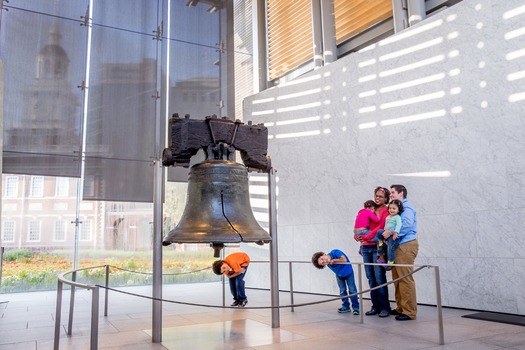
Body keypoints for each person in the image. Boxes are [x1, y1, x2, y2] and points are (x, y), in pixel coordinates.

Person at [382, 184, 418, 321]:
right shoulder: (397, 208)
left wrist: (390, 233)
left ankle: (409, 311)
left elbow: (407, 224)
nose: (390, 195)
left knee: (405, 278)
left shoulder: (407, 207)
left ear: (401, 193)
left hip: (406, 245)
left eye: (392, 192)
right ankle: (401, 307)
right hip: (397, 246)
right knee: (397, 278)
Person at [354, 186, 391, 318]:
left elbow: (381, 228)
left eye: (381, 196)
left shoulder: (387, 210)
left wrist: (366, 237)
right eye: (376, 195)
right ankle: (375, 306)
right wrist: (357, 235)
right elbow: (360, 224)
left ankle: (385, 307)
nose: (377, 198)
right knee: (370, 278)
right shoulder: (370, 208)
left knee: (380, 278)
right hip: (365, 248)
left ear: (386, 198)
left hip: (377, 247)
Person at [311, 250, 360, 315]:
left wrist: (334, 260)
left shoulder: (335, 252)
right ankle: (345, 306)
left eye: (322, 259)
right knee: (342, 290)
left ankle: (356, 308)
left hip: (349, 273)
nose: (325, 261)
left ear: (323, 254)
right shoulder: (328, 264)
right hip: (339, 275)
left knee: (352, 290)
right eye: (323, 263)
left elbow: (344, 260)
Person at [374, 199, 404, 270]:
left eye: (394, 208)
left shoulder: (397, 217)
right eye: (390, 208)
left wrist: (395, 232)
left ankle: (390, 261)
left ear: (398, 210)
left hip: (393, 236)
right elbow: (386, 226)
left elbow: (399, 225)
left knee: (390, 248)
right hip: (386, 233)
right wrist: (384, 235)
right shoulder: (388, 217)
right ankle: (381, 242)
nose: (391, 210)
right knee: (379, 232)